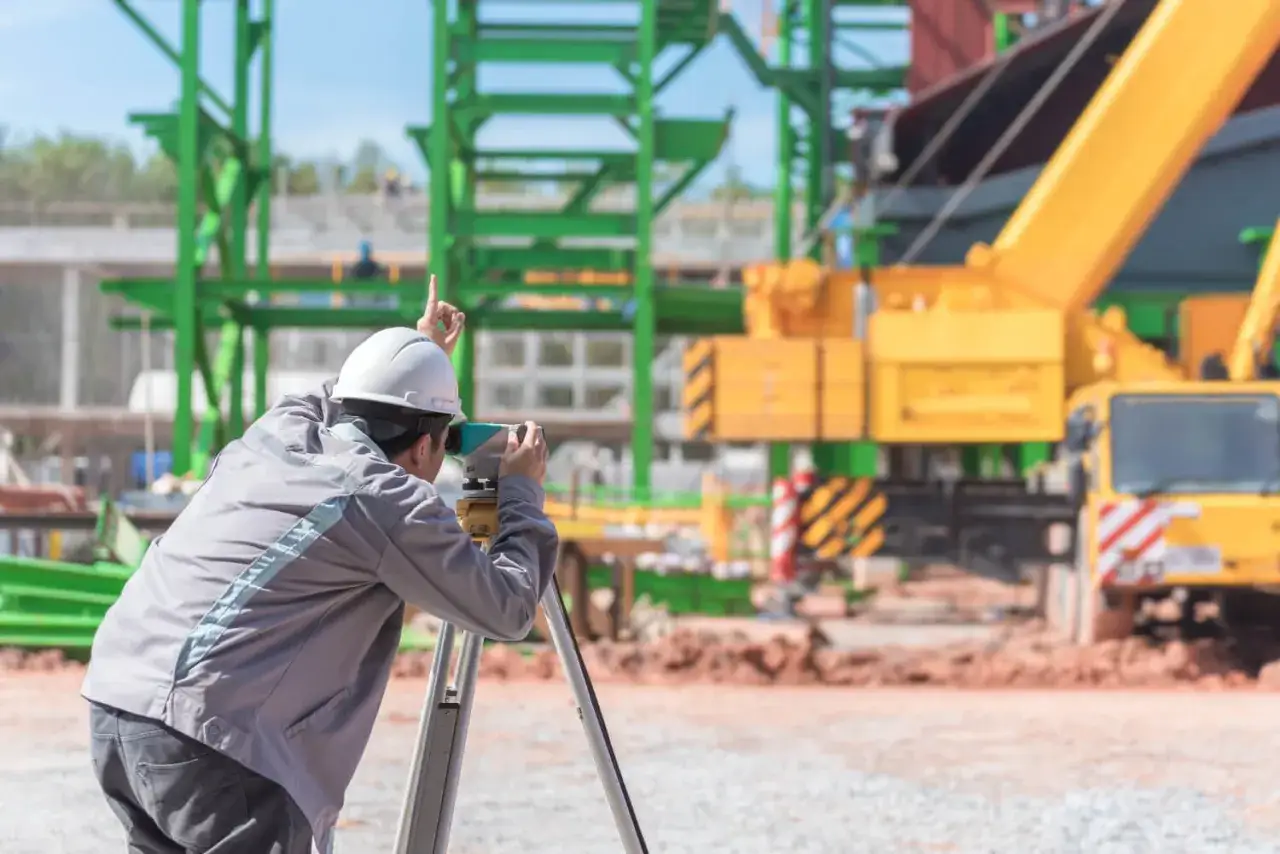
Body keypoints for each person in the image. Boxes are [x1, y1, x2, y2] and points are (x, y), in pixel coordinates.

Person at [81, 276, 558, 854]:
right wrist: (521, 495)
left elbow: (348, 395)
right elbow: (507, 608)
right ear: (427, 446)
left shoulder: (282, 427)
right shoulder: (388, 500)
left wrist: (417, 353)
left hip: (118, 699)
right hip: (212, 738)